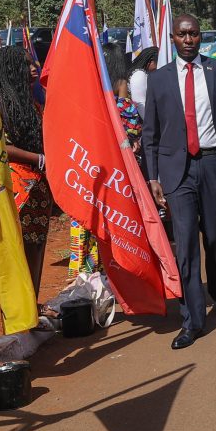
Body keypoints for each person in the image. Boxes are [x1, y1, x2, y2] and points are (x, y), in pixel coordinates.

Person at [142, 14, 216, 350]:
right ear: (173, 38)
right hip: (177, 171)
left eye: (193, 34)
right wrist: (152, 176)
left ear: (201, 38)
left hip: (215, 164)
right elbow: (150, 134)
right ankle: (192, 319)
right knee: (187, 241)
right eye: (182, 34)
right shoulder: (159, 80)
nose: (188, 39)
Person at [69, 43, 144, 278]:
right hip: (115, 176)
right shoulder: (120, 101)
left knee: (86, 225)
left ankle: (82, 278)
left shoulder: (88, 97)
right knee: (110, 228)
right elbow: (132, 129)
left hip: (87, 172)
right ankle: (101, 278)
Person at [0, 46, 51, 295]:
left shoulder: (31, 102)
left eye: (33, 63)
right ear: (12, 69)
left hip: (38, 188)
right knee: (19, 252)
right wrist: (38, 158)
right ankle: (20, 313)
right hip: (16, 189)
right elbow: (0, 147)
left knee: (36, 247)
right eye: (27, 64)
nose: (34, 67)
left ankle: (32, 308)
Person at [127, 46, 159, 119]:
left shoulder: (140, 73)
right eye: (157, 63)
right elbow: (140, 103)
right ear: (150, 61)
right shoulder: (139, 74)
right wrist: (150, 124)